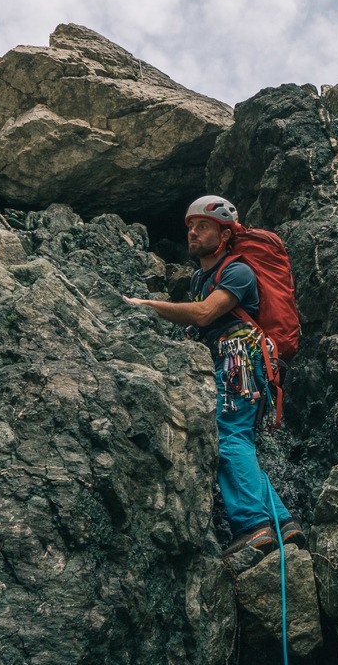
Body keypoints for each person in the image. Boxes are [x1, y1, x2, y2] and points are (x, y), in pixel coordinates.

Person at [124, 195, 304, 558]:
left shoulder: (238, 271)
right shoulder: (200, 278)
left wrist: (149, 306)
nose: (193, 232)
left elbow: (206, 313)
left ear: (224, 235)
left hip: (240, 360)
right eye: (190, 226)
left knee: (229, 437)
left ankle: (253, 526)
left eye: (203, 226)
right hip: (233, 360)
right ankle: (283, 523)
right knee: (237, 439)